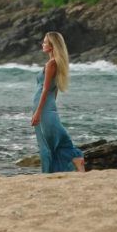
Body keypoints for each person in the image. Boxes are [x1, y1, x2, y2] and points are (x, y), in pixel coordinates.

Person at [31, 31, 85, 173]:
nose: (42, 44)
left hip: (43, 108)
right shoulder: (55, 63)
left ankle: (74, 159)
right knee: (51, 138)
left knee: (49, 140)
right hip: (46, 107)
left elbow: (46, 89)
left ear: (52, 45)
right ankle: (73, 159)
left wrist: (38, 112)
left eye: (45, 42)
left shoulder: (51, 64)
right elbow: (54, 90)